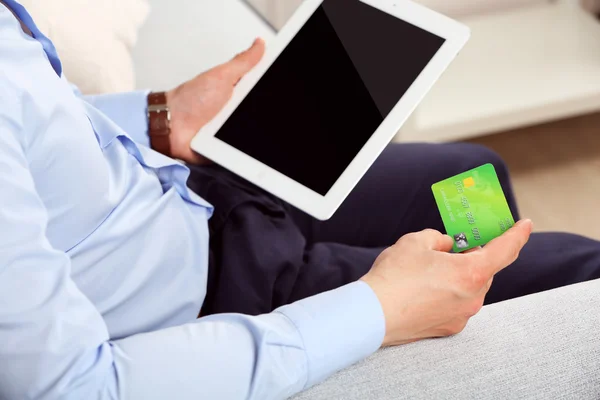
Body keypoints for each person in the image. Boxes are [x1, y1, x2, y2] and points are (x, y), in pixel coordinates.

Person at [1, 1, 599, 399]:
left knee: (471, 169)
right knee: (581, 270)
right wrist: (378, 309)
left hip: (185, 197)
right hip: (212, 295)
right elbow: (70, 388)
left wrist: (160, 119)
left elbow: (38, 134)